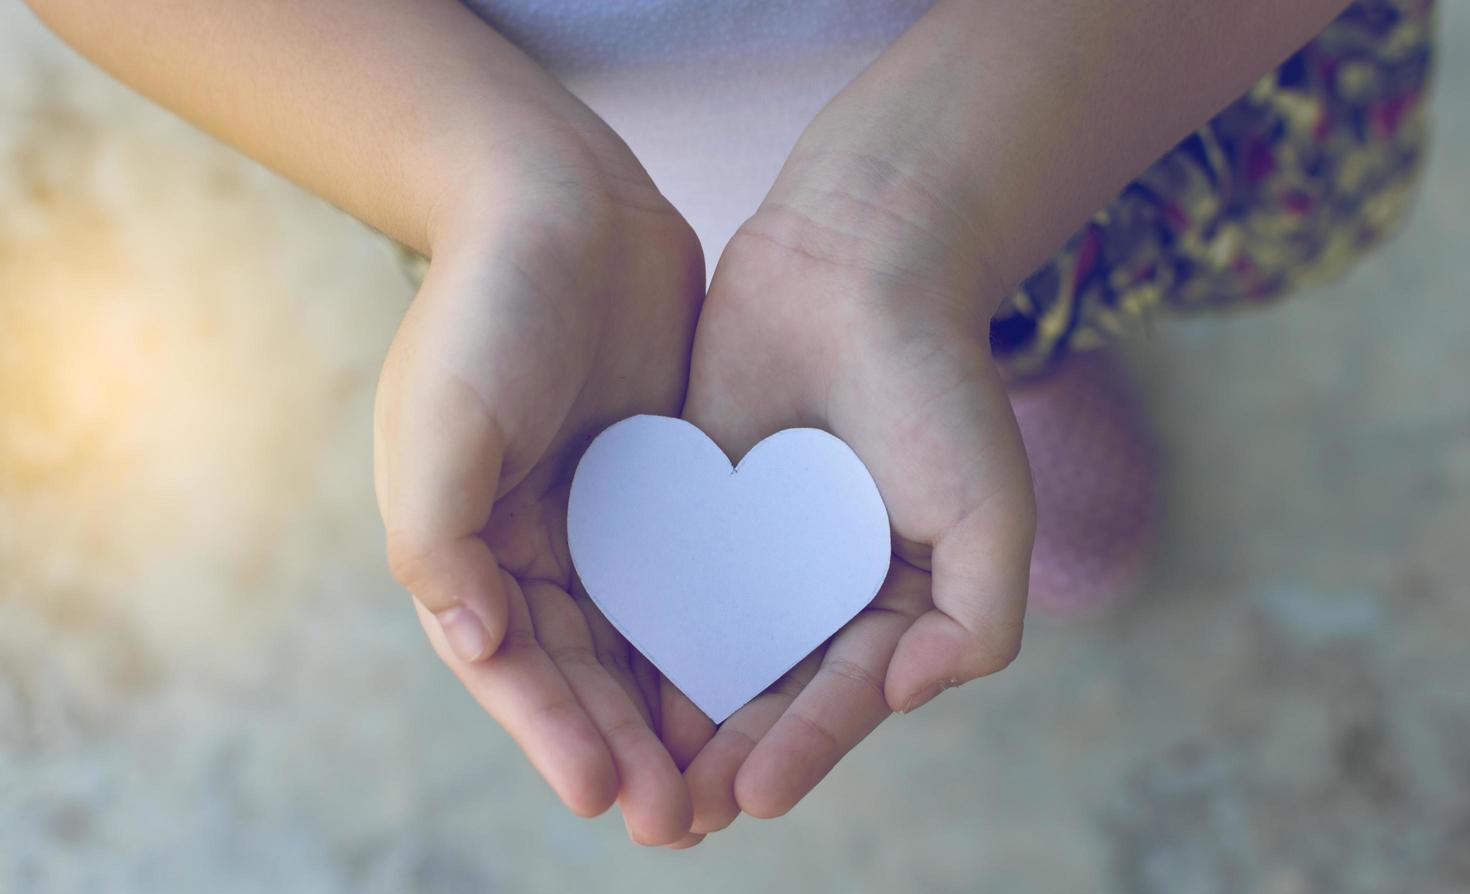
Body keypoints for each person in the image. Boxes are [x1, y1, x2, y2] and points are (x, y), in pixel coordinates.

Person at [24, 0, 1434, 849]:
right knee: (889, 355)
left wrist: (918, 207)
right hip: (528, 121)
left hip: (1124, 82)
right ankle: (961, 367)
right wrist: (498, 184)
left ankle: (986, 351)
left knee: (1005, 298)